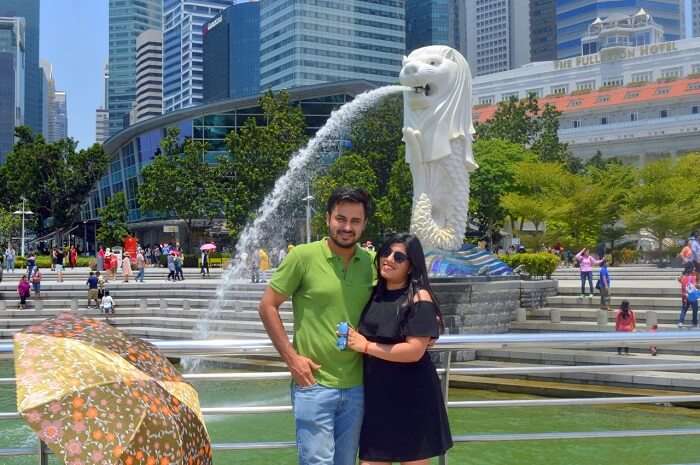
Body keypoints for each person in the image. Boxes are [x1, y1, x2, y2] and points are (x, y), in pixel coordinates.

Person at [259, 187, 375, 465]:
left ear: (364, 224)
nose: (347, 227)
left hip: (357, 384)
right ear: (328, 219)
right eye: (341, 218)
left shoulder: (371, 263)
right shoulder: (303, 256)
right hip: (313, 383)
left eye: (355, 221)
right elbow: (267, 306)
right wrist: (292, 360)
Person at [346, 233, 453, 464]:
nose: (389, 259)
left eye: (399, 256)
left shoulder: (419, 297)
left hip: (411, 394)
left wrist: (365, 346)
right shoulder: (374, 293)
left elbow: (414, 351)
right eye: (385, 252)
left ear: (411, 264)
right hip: (376, 396)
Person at [678, 262, 698, 328]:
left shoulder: (683, 277)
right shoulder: (693, 277)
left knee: (684, 309)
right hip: (692, 297)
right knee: (695, 309)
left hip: (684, 296)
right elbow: (694, 285)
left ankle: (680, 322)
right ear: (691, 269)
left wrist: (682, 274)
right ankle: (694, 323)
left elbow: (679, 280)